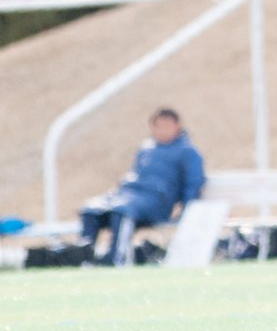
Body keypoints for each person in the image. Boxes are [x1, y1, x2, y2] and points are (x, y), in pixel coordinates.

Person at [78, 107, 205, 266]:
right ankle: (84, 258)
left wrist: (188, 208)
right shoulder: (147, 148)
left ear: (178, 126)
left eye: (167, 125)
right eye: (158, 125)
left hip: (156, 201)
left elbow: (194, 183)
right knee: (91, 210)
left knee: (122, 211)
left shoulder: (187, 151)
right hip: (130, 195)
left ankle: (116, 259)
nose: (162, 130)